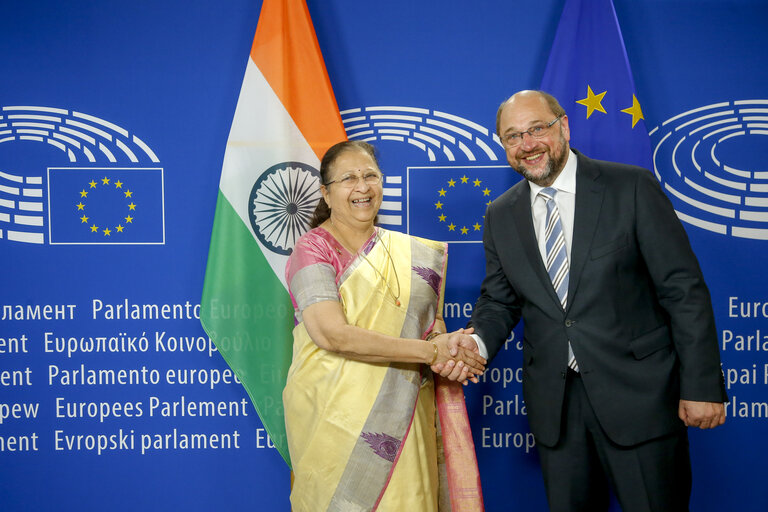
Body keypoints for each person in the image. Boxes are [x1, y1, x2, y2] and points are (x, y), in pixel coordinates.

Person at [457, 90, 727, 511]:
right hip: (557, 411)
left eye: (537, 129)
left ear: (563, 126)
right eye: (513, 136)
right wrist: (476, 345)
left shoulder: (630, 186)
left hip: (640, 397)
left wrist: (702, 385)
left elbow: (683, 290)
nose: (527, 144)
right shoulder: (500, 213)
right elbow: (499, 301)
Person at [282, 140, 486, 511]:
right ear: (326, 193)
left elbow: (433, 331)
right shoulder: (312, 250)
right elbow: (331, 334)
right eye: (348, 179)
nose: (362, 187)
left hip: (405, 415)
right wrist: (431, 352)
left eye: (370, 176)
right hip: (333, 417)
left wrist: (453, 351)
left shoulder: (415, 254)